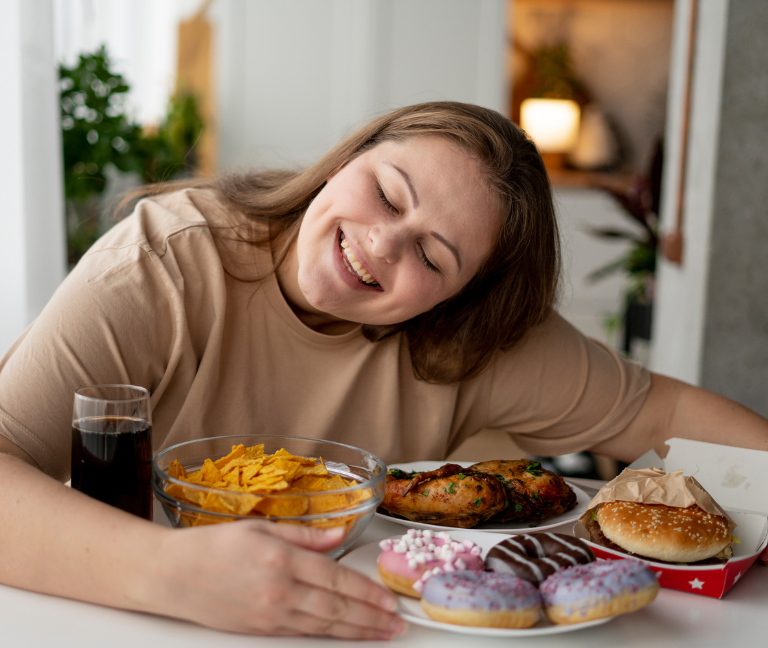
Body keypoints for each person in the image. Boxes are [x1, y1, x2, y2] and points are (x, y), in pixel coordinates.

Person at [0, 102, 766, 639]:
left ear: (462, 300)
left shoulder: (474, 338)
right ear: (348, 158)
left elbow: (666, 417)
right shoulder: (162, 263)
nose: (382, 243)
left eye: (434, 257)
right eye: (386, 192)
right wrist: (171, 573)